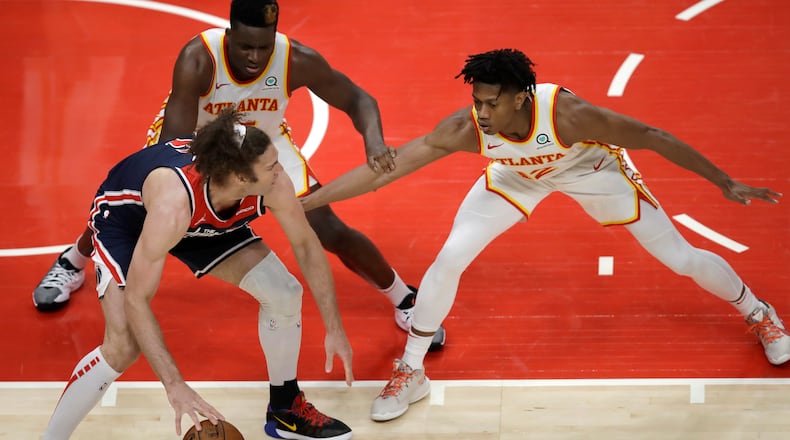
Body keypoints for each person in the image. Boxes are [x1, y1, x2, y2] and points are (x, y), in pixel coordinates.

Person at [300, 48, 790, 421]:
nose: (483, 112)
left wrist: (724, 180)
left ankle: (758, 312)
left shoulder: (569, 115)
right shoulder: (468, 127)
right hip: (517, 175)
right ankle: (412, 370)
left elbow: (653, 136)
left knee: (679, 258)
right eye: (477, 101)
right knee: (450, 256)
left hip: (590, 170)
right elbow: (388, 169)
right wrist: (306, 203)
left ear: (521, 97)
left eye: (493, 102)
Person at [31, 0, 445, 349]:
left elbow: (358, 98)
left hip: (263, 143)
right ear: (228, 34)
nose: (253, 56)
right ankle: (75, 259)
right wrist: (199, 191)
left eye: (262, 47)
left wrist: (373, 141)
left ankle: (403, 298)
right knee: (136, 212)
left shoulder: (295, 59)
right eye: (245, 46)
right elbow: (173, 144)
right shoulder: (199, 58)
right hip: (196, 143)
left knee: (327, 227)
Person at [42, 109, 354, 440]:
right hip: (129, 223)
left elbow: (306, 246)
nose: (280, 171)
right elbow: (137, 298)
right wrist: (175, 384)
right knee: (123, 346)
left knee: (284, 292)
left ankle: (285, 410)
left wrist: (334, 326)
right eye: (270, 167)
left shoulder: (271, 183)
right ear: (239, 177)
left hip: (202, 219)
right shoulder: (172, 204)